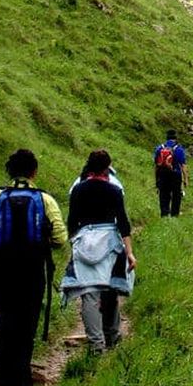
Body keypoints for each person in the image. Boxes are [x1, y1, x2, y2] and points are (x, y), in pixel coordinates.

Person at [0, 148, 66, 386]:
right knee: (26, 325)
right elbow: (60, 238)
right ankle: (21, 382)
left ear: (9, 171)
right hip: (32, 270)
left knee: (4, 322)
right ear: (34, 172)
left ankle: (4, 381)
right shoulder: (45, 200)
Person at [62, 149, 136, 353]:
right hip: (110, 242)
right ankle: (112, 336)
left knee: (89, 294)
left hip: (84, 241)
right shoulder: (114, 191)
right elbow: (123, 223)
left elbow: (71, 222)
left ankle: (96, 345)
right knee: (110, 289)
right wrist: (129, 252)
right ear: (107, 167)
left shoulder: (78, 190)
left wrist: (75, 243)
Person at [154, 129, 188, 216]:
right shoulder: (179, 149)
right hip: (175, 174)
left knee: (164, 194)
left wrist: (157, 179)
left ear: (167, 138)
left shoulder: (160, 148)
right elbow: (183, 165)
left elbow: (156, 165)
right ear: (175, 138)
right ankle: (174, 214)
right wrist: (185, 179)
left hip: (163, 174)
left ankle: (164, 214)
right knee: (176, 195)